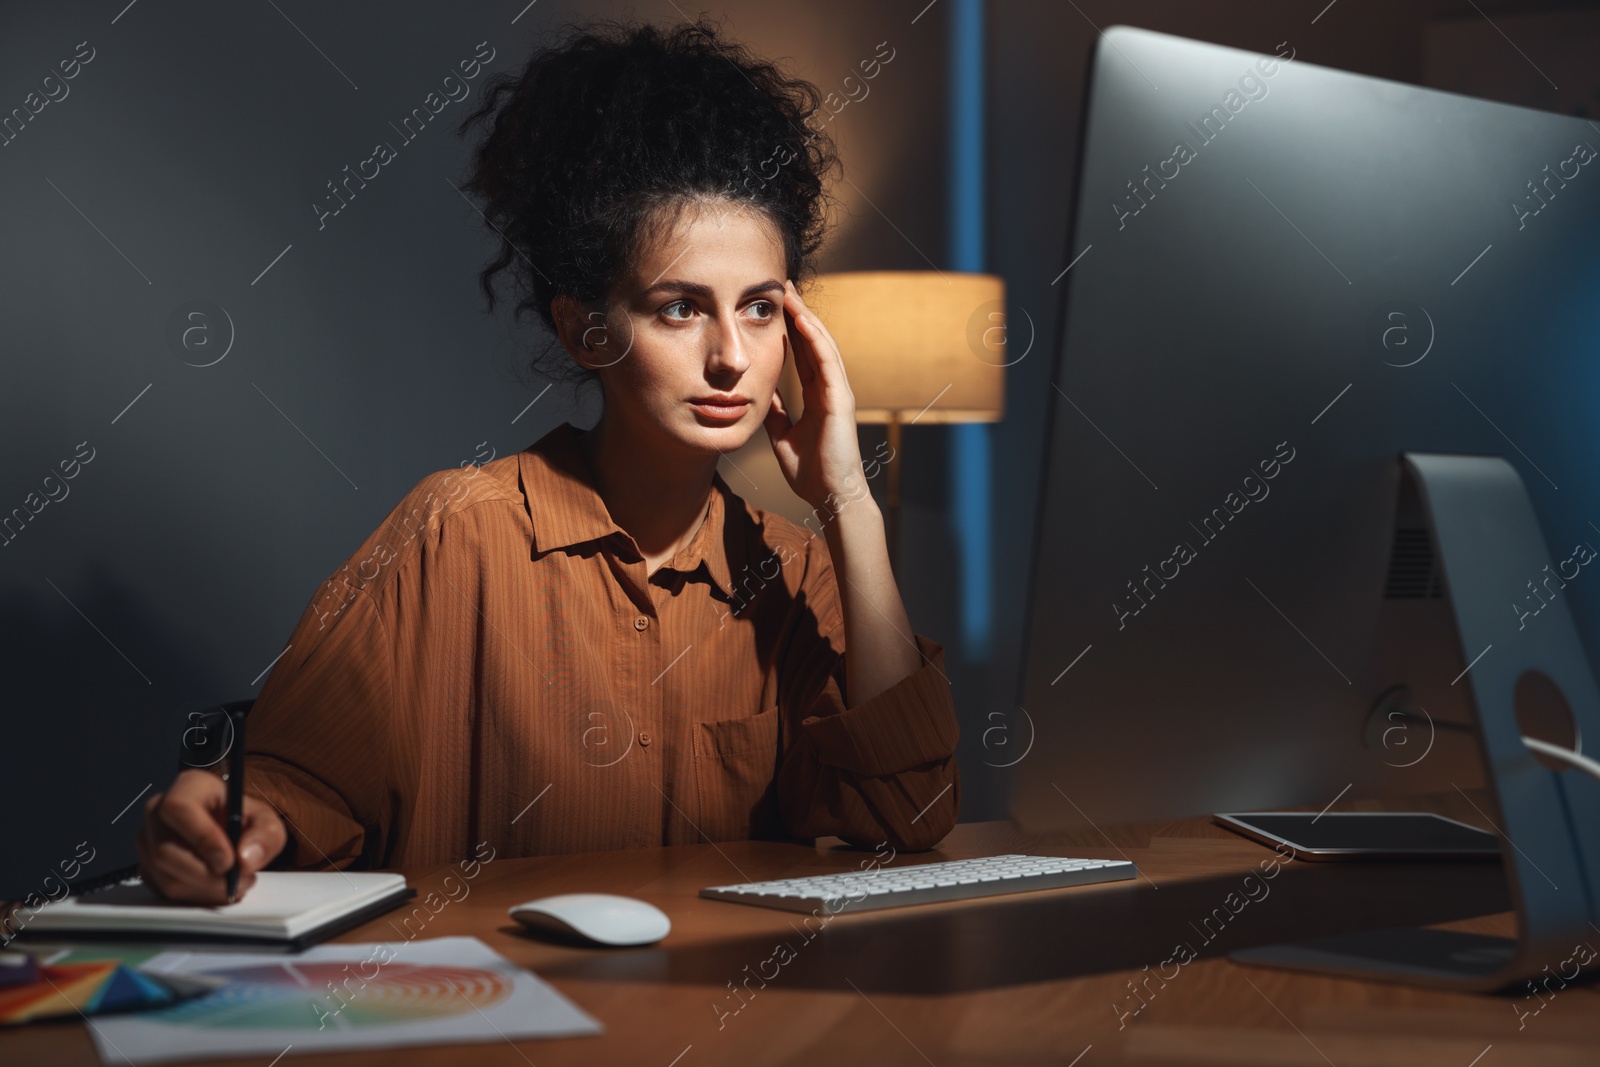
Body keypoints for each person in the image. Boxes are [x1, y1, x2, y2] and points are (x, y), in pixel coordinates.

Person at [135, 17, 961, 904]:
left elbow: (912, 810)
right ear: (585, 328)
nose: (732, 357)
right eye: (681, 309)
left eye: (759, 309)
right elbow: (298, 789)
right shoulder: (455, 534)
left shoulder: (796, 572)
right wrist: (231, 818)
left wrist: (848, 500)